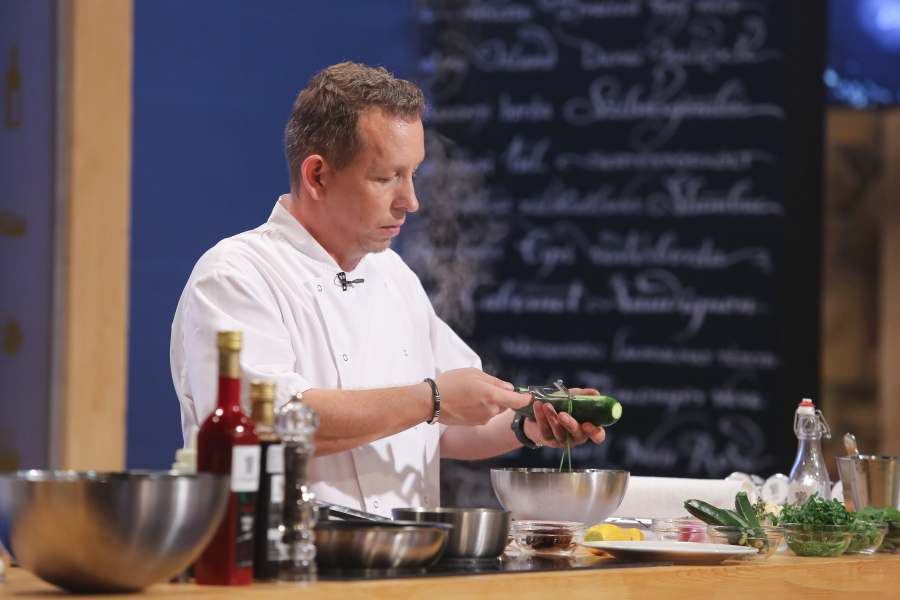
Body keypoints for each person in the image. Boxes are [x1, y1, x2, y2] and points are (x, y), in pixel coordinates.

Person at [171, 62, 606, 516]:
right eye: (386, 178)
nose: (410, 201)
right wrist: (431, 399)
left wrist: (527, 424)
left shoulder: (394, 274)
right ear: (317, 176)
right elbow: (272, 424)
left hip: (402, 554)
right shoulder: (235, 276)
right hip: (283, 552)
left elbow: (452, 424)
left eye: (413, 173)